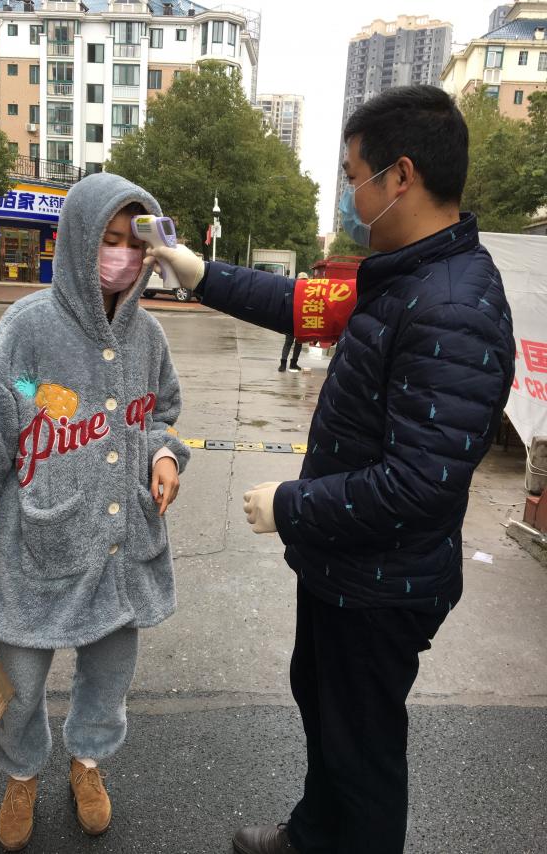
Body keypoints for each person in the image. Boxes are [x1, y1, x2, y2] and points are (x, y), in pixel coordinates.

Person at [147, 86, 515, 854]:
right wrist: (198, 273)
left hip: (382, 585)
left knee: (363, 753)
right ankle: (313, 833)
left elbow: (419, 483)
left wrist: (291, 505)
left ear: (400, 176)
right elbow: (298, 304)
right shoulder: (405, 276)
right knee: (324, 710)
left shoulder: (451, 304)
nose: (350, 194)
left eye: (353, 175)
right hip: (348, 567)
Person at [0, 173, 190, 852]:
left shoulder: (149, 335)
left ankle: (88, 761)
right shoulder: (28, 327)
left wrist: (164, 455)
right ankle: (21, 774)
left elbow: (159, 413)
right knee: (19, 682)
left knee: (109, 676)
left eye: (135, 242)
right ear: (77, 240)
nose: (122, 255)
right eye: (108, 239)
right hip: (38, 544)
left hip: (121, 545)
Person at [279, 272, 309, 372]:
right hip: (291, 320)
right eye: (301, 280)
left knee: (299, 342)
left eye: (305, 280)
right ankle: (283, 363)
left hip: (302, 321)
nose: (303, 282)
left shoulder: (309, 292)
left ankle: (293, 363)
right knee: (288, 342)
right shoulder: (291, 290)